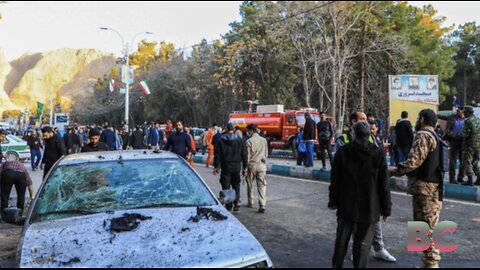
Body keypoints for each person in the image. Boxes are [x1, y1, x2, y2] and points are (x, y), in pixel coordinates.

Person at [329, 121, 391, 268]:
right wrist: (386, 208)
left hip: (346, 205)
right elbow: (384, 185)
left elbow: (335, 180)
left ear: (353, 134)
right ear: (369, 134)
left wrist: (333, 201)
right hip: (369, 208)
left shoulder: (342, 152)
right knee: (362, 248)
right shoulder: (377, 154)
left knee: (341, 244)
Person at [389, 109, 443, 268]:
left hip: (425, 190)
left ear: (422, 119)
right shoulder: (435, 136)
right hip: (431, 188)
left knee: (426, 227)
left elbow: (413, 161)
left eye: (419, 118)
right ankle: (427, 264)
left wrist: (394, 171)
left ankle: (431, 264)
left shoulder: (423, 135)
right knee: (424, 227)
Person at [213, 122, 247, 212]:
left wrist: (216, 166)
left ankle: (228, 205)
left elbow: (218, 155)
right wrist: (245, 166)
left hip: (226, 166)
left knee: (226, 185)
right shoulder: (240, 140)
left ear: (227, 129)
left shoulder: (221, 140)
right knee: (236, 185)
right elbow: (244, 154)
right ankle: (236, 203)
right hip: (236, 166)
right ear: (234, 129)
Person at [245, 124, 268, 213]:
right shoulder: (264, 140)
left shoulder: (249, 141)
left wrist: (245, 168)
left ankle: (250, 202)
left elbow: (247, 156)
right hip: (262, 165)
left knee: (250, 184)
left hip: (251, 165)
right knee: (262, 185)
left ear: (251, 131)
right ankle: (262, 204)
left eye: (248, 131)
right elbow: (266, 154)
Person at [460, 106, 480, 186]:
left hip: (469, 145)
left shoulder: (467, 121)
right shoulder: (478, 120)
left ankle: (470, 180)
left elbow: (465, 134)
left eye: (464, 112)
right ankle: (479, 179)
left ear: (468, 112)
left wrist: (456, 135)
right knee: (475, 162)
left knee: (467, 162)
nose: (464, 114)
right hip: (478, 145)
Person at [443, 108, 465, 184]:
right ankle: (452, 178)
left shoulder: (466, 120)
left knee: (463, 161)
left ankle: (460, 177)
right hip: (454, 141)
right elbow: (448, 130)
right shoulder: (452, 118)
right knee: (453, 160)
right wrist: (451, 135)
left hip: (463, 142)